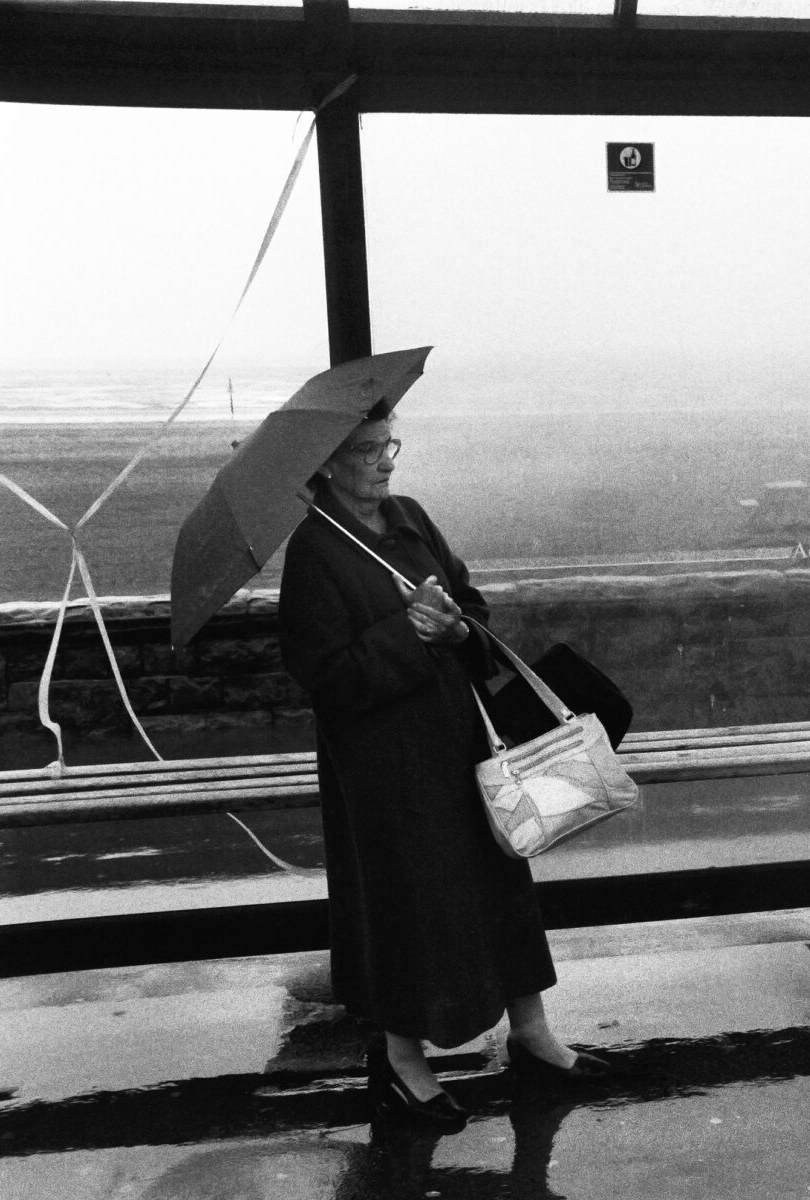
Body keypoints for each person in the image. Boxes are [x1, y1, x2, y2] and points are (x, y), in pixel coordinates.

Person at [278, 410, 607, 1132]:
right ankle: (403, 1062)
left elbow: (471, 607)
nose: (384, 462)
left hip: (460, 746)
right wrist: (407, 633)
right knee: (404, 904)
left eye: (388, 444)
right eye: (365, 451)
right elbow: (324, 675)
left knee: (500, 882)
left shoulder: (410, 519)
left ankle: (531, 1032)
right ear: (327, 465)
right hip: (385, 769)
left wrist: (458, 628)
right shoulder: (313, 554)